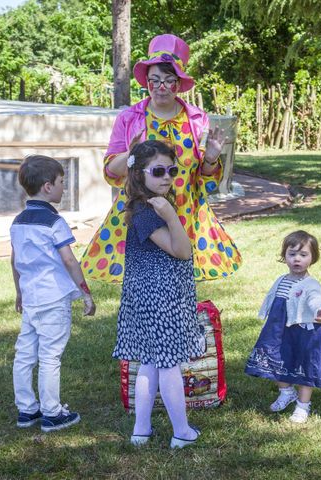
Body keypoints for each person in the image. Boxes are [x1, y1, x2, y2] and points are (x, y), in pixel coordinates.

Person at [81, 33, 242, 283]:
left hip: (187, 212)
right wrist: (131, 153)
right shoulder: (129, 118)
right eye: (154, 81)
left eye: (169, 81)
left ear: (179, 84)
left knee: (182, 280)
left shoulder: (197, 119)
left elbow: (204, 177)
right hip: (145, 212)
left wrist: (210, 159)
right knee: (147, 282)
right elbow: (112, 172)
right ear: (147, 82)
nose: (161, 87)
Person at [112, 140, 205, 448]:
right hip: (160, 297)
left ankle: (141, 430)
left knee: (149, 362)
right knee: (168, 365)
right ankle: (182, 432)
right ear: (139, 173)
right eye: (159, 171)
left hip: (143, 294)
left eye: (172, 170)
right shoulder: (150, 211)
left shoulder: (144, 205)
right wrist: (172, 217)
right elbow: (181, 251)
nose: (167, 177)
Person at [10, 155, 96, 433]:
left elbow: (14, 261)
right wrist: (86, 293)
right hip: (54, 299)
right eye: (61, 182)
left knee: (24, 355)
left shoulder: (18, 222)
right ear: (48, 187)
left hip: (32, 298)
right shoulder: (54, 222)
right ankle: (52, 413)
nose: (64, 188)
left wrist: (19, 293)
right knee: (50, 356)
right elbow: (70, 261)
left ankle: (26, 409)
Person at [245, 230, 321, 423]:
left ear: (313, 258)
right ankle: (286, 391)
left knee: (305, 365)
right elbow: (272, 299)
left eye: (303, 255)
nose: (297, 259)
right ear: (284, 256)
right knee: (276, 358)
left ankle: (303, 405)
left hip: (304, 331)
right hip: (279, 329)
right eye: (292, 254)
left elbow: (315, 299)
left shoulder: (310, 284)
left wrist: (320, 310)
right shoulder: (281, 280)